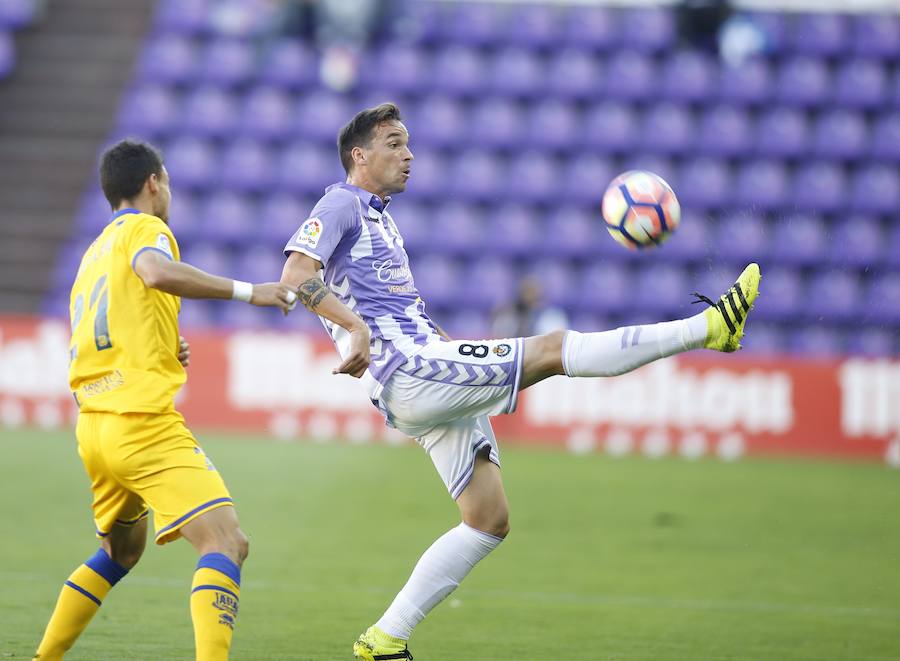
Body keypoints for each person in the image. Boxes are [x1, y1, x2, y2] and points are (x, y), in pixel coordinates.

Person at [279, 103, 761, 660]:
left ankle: (385, 640)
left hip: (419, 368)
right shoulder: (341, 202)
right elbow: (294, 274)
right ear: (359, 155)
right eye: (393, 143)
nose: (408, 154)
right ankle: (708, 327)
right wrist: (355, 328)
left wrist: (421, 333)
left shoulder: (380, 216)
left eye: (408, 143)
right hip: (408, 371)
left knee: (487, 520)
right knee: (554, 349)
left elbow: (386, 301)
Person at [33, 139, 297, 661]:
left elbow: (108, 323)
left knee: (120, 552)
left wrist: (163, 343)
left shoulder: (92, 253)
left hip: (94, 427)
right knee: (226, 542)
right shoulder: (147, 228)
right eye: (168, 181)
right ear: (153, 182)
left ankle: (43, 658)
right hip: (140, 422)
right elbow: (154, 271)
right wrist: (252, 291)